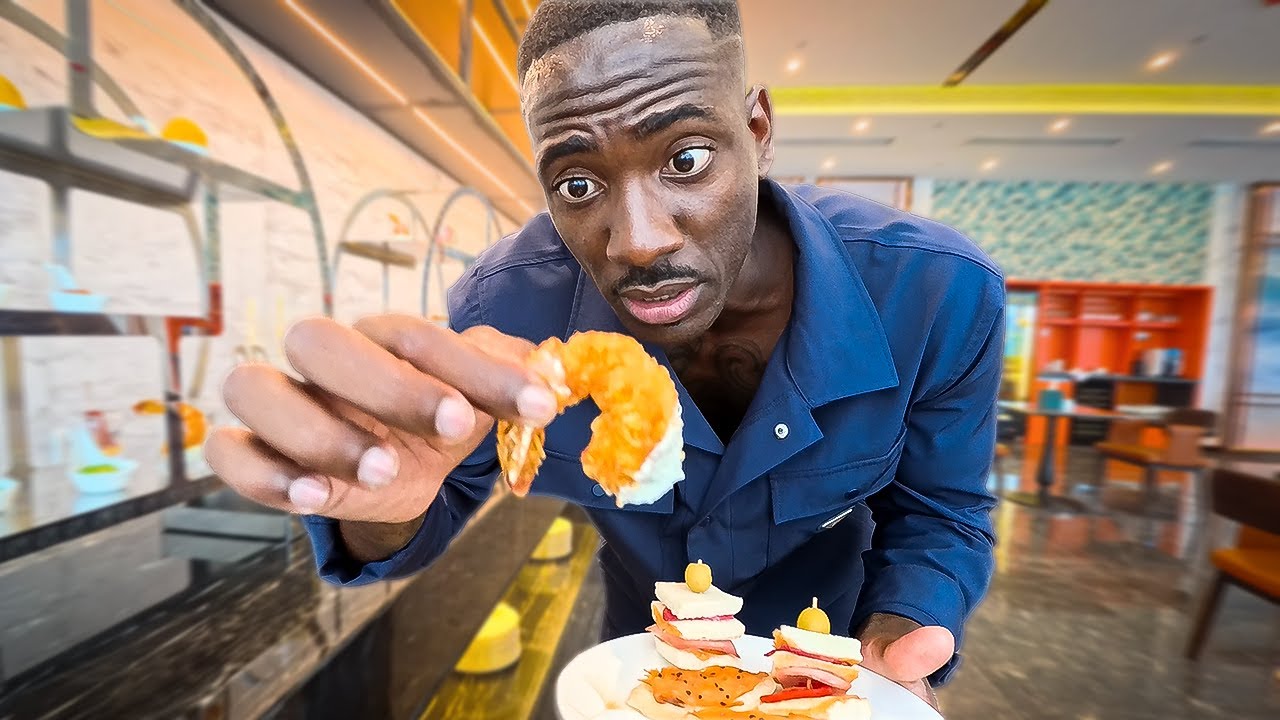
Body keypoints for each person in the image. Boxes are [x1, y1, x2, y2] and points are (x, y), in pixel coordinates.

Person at [206, 0, 1003, 708]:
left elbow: (941, 511)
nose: (639, 242)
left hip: (827, 669)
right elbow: (431, 501)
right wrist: (389, 501)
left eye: (685, 158)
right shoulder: (505, 311)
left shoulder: (933, 292)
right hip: (635, 672)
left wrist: (896, 644)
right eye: (579, 184)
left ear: (756, 130)